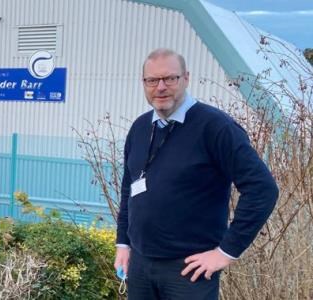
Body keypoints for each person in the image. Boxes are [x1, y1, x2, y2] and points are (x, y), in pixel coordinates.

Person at [114, 48, 278, 299]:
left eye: (170, 78)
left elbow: (262, 189)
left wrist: (225, 252)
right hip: (140, 265)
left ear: (186, 78)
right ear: (144, 83)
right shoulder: (139, 128)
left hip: (190, 271)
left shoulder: (216, 127)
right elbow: (129, 188)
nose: (160, 87)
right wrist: (123, 243)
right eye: (152, 80)